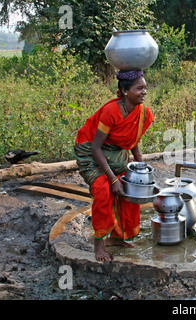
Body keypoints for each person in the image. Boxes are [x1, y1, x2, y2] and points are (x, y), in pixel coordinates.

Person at [74, 70, 153, 261]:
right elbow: (96, 146)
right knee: (103, 189)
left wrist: (139, 159)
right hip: (92, 155)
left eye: (145, 88)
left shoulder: (141, 111)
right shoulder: (111, 112)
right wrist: (111, 179)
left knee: (130, 188)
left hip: (116, 154)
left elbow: (131, 137)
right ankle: (99, 243)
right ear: (125, 91)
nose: (144, 92)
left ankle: (119, 237)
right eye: (139, 88)